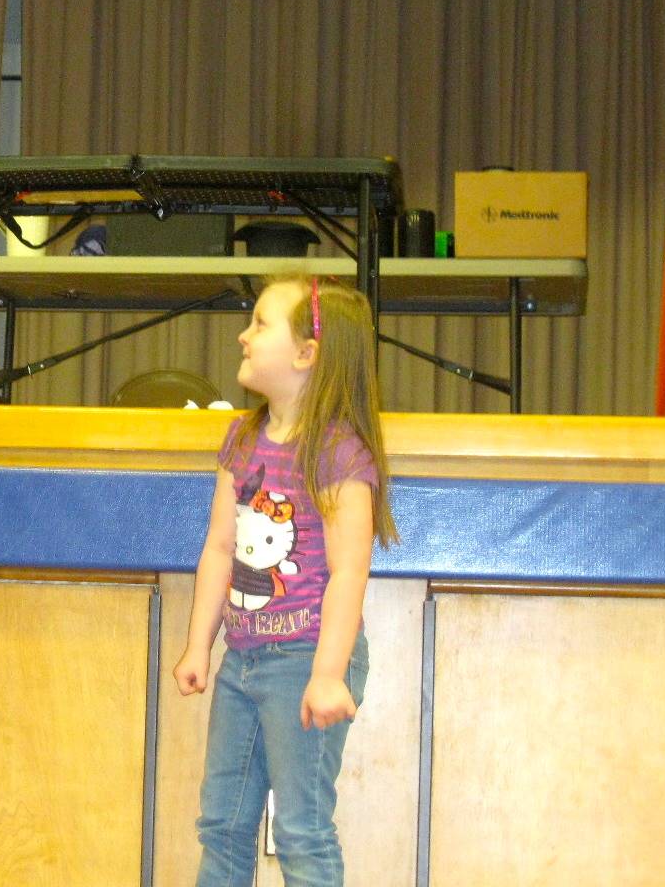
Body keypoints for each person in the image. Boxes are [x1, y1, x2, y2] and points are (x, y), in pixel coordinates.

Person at [172, 275, 399, 886]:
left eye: (260, 323)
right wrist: (200, 645)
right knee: (221, 825)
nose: (243, 335)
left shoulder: (337, 451)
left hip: (305, 658)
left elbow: (349, 573)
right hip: (243, 661)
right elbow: (220, 548)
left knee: (301, 830)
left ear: (307, 353)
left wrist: (327, 675)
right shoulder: (243, 440)